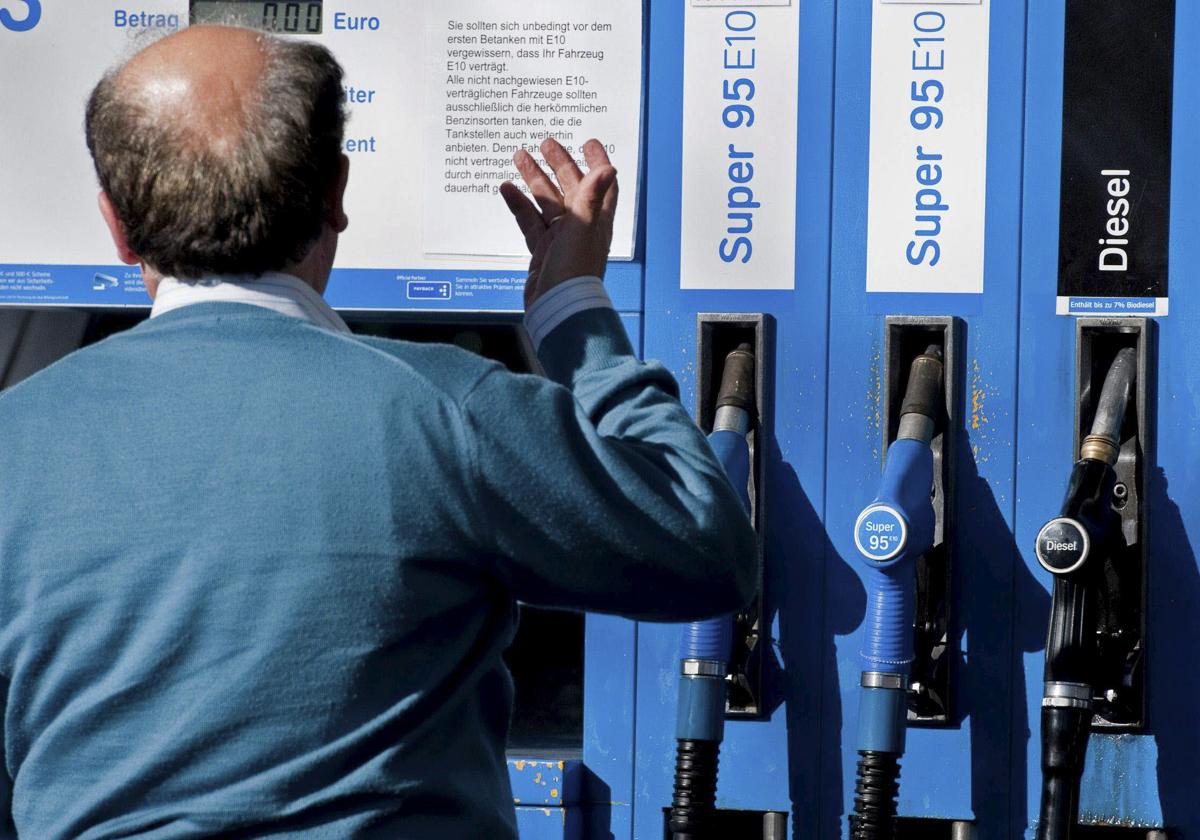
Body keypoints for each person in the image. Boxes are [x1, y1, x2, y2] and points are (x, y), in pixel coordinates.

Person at [0, 24, 756, 839]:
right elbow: (704, 547)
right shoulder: (448, 409)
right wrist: (574, 309)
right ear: (335, 193)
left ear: (115, 226)